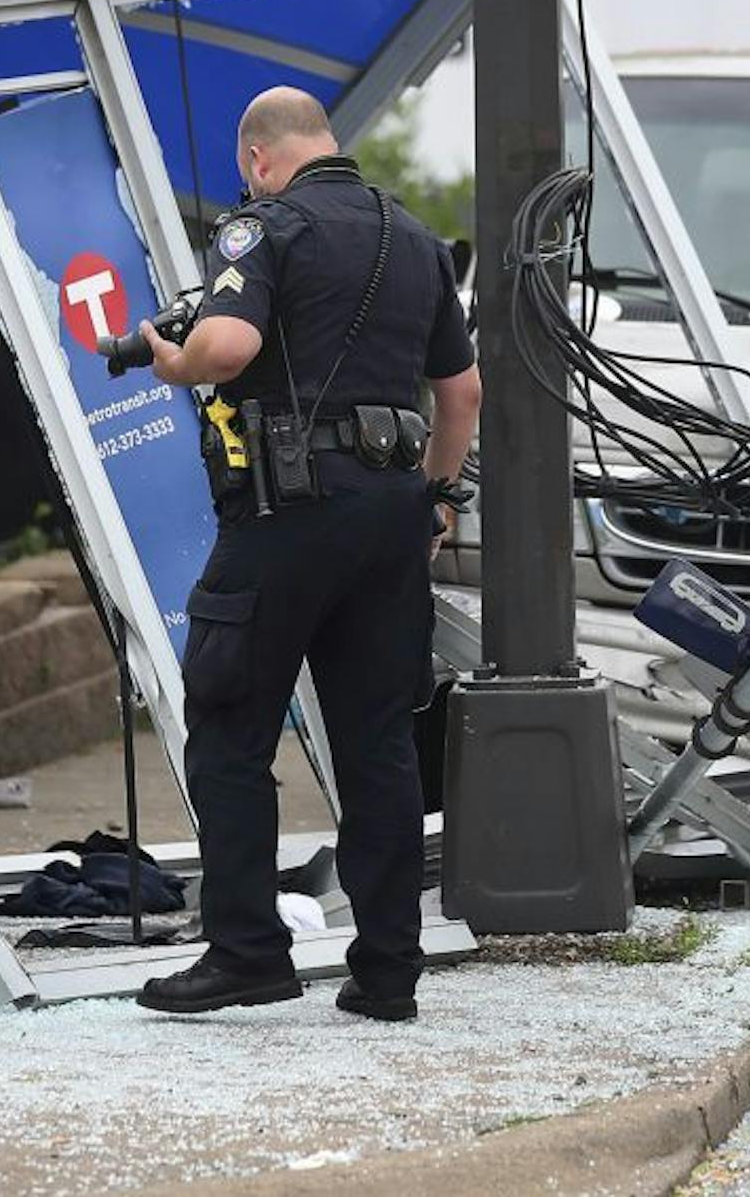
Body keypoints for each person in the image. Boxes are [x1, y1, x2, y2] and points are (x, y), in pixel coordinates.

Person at [135, 87, 481, 1022]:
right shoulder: (416, 240)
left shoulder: (263, 230)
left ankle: (247, 950)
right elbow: (462, 393)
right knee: (377, 740)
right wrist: (439, 498)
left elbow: (228, 343)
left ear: (258, 158)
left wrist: (172, 358)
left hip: (289, 511)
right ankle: (387, 970)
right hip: (393, 512)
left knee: (230, 718)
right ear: (328, 142)